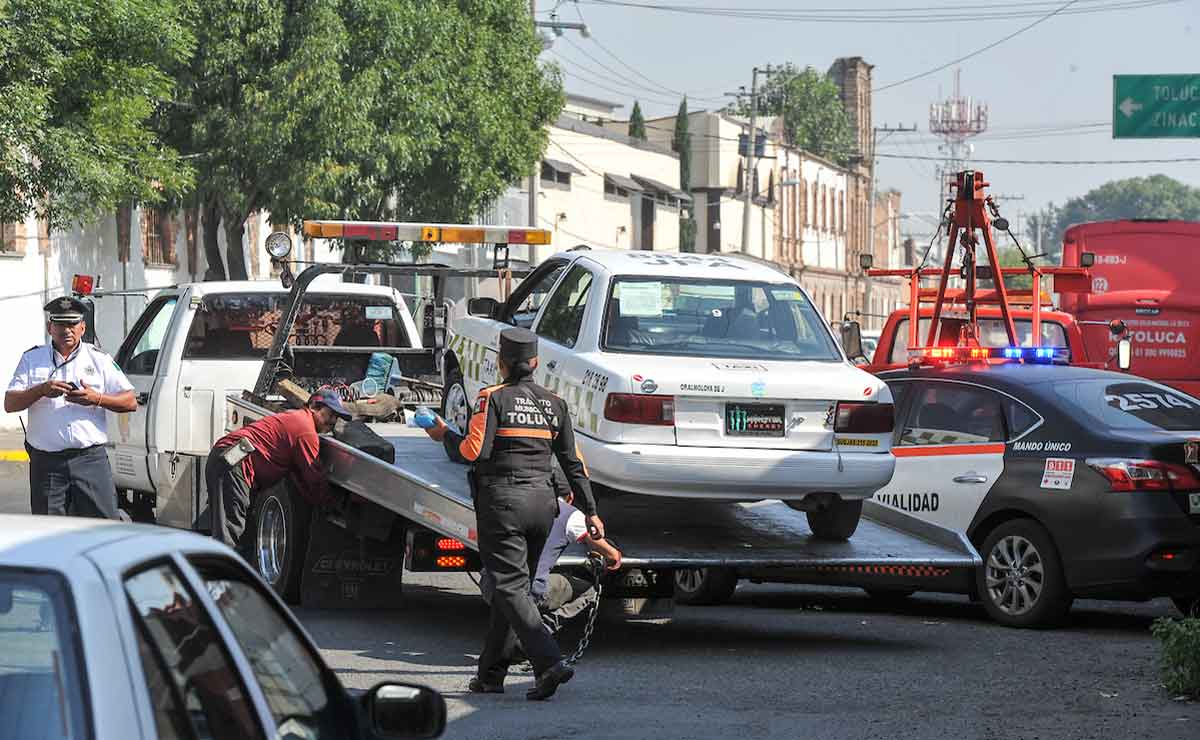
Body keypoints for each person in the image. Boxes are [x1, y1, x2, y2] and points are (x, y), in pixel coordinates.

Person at [421, 327, 604, 701]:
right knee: (515, 592)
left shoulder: (492, 398)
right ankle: (490, 674)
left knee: (508, 588)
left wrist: (443, 434)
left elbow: (474, 452)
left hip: (503, 505)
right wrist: (591, 510)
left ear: (502, 363)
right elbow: (573, 463)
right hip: (544, 506)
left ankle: (548, 661)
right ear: (535, 363)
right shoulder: (555, 403)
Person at [4, 296, 137, 518]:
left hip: (89, 460)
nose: (67, 330)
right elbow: (10, 404)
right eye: (60, 323)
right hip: (47, 464)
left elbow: (130, 401)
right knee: (49, 532)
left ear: (83, 327)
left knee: (102, 527)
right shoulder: (32, 359)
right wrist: (41, 390)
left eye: (73, 324)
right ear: (50, 327)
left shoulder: (98, 359)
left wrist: (96, 398)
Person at [206, 389, 350, 546]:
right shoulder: (306, 431)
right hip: (233, 461)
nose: (333, 422)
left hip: (229, 459)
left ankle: (229, 567)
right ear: (314, 406)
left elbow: (299, 477)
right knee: (229, 532)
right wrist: (335, 503)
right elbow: (314, 478)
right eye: (330, 414)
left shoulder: (297, 419)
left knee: (240, 533)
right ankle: (218, 569)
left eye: (337, 417)